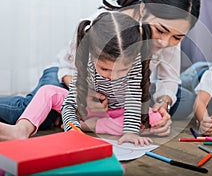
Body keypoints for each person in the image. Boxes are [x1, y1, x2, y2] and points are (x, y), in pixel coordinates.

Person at [0, 0, 200, 136]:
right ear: (142, 9)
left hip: (113, 91)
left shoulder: (169, 36)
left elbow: (169, 78)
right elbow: (68, 69)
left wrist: (163, 104)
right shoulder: (102, 25)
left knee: (176, 101)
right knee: (36, 112)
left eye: (177, 37)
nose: (165, 42)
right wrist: (84, 94)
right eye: (161, 30)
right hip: (67, 75)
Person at [0, 11, 157, 145]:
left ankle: (90, 125)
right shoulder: (87, 61)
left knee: (152, 118)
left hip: (118, 112)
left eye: (121, 70)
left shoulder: (135, 62)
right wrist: (73, 127)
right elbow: (70, 102)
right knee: (48, 91)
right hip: (87, 107)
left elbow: (134, 100)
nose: (111, 76)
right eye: (105, 69)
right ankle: (21, 130)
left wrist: (130, 132)